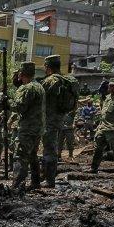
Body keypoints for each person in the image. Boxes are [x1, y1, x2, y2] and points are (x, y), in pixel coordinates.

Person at [40, 55, 77, 187]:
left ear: (47, 66)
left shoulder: (50, 81)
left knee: (49, 149)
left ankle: (49, 180)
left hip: (48, 120)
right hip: (60, 119)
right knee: (52, 147)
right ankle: (45, 177)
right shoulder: (67, 80)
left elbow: (39, 100)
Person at [10, 62, 46, 191]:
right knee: (32, 156)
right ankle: (36, 182)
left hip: (27, 128)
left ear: (21, 74)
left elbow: (20, 108)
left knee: (20, 156)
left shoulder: (26, 88)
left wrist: (7, 102)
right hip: (38, 128)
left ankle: (17, 186)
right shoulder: (39, 86)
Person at [91, 79, 114, 175]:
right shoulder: (108, 97)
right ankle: (94, 168)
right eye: (110, 86)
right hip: (103, 127)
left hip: (113, 128)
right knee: (98, 148)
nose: (112, 88)